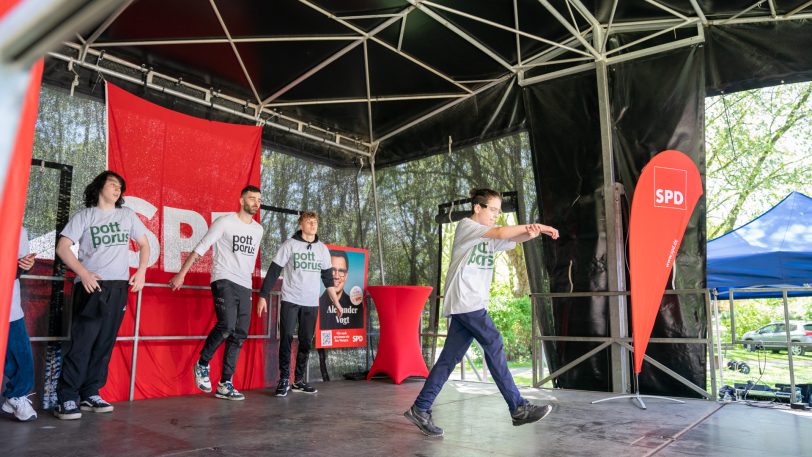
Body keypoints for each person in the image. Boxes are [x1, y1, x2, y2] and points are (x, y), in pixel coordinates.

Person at [404, 188, 559, 437]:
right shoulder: (467, 226)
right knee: (494, 342)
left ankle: (420, 408)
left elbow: (509, 239)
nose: (497, 215)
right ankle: (518, 407)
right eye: (493, 210)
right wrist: (538, 224)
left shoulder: (487, 236)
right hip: (466, 301)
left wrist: (530, 234)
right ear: (478, 208)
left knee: (447, 361)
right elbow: (501, 231)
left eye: (499, 211)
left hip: (470, 304)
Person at [55, 171, 150, 420]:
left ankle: (91, 392)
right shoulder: (85, 215)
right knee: (82, 343)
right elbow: (63, 248)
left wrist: (141, 271)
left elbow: (144, 244)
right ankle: (66, 398)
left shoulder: (127, 215)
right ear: (100, 187)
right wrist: (84, 273)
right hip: (91, 286)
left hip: (118, 287)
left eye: (120, 186)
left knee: (104, 343)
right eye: (112, 184)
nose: (117, 189)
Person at [170, 185, 264, 401]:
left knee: (239, 333)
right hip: (223, 278)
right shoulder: (225, 222)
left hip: (244, 284)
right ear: (241, 201)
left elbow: (247, 261)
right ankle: (202, 363)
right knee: (227, 325)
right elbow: (201, 247)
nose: (256, 203)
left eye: (259, 199)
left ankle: (225, 383)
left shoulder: (258, 230)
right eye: (252, 198)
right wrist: (182, 274)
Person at [257, 211, 343, 396]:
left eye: (315, 222)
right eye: (309, 221)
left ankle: (299, 381)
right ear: (301, 225)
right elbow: (273, 271)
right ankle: (283, 380)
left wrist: (336, 302)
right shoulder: (290, 245)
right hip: (290, 300)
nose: (313, 225)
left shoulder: (322, 249)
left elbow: (328, 281)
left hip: (310, 303)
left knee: (305, 341)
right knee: (287, 338)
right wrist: (263, 295)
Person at [2, 226, 37, 421]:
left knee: (22, 359)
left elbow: (23, 264)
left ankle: (16, 396)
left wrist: (25, 264)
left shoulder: (18, 229)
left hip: (10, 307)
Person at [316, 250, 357, 381]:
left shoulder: (354, 305)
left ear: (346, 275)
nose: (337, 276)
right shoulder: (316, 304)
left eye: (341, 271)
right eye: (332, 270)